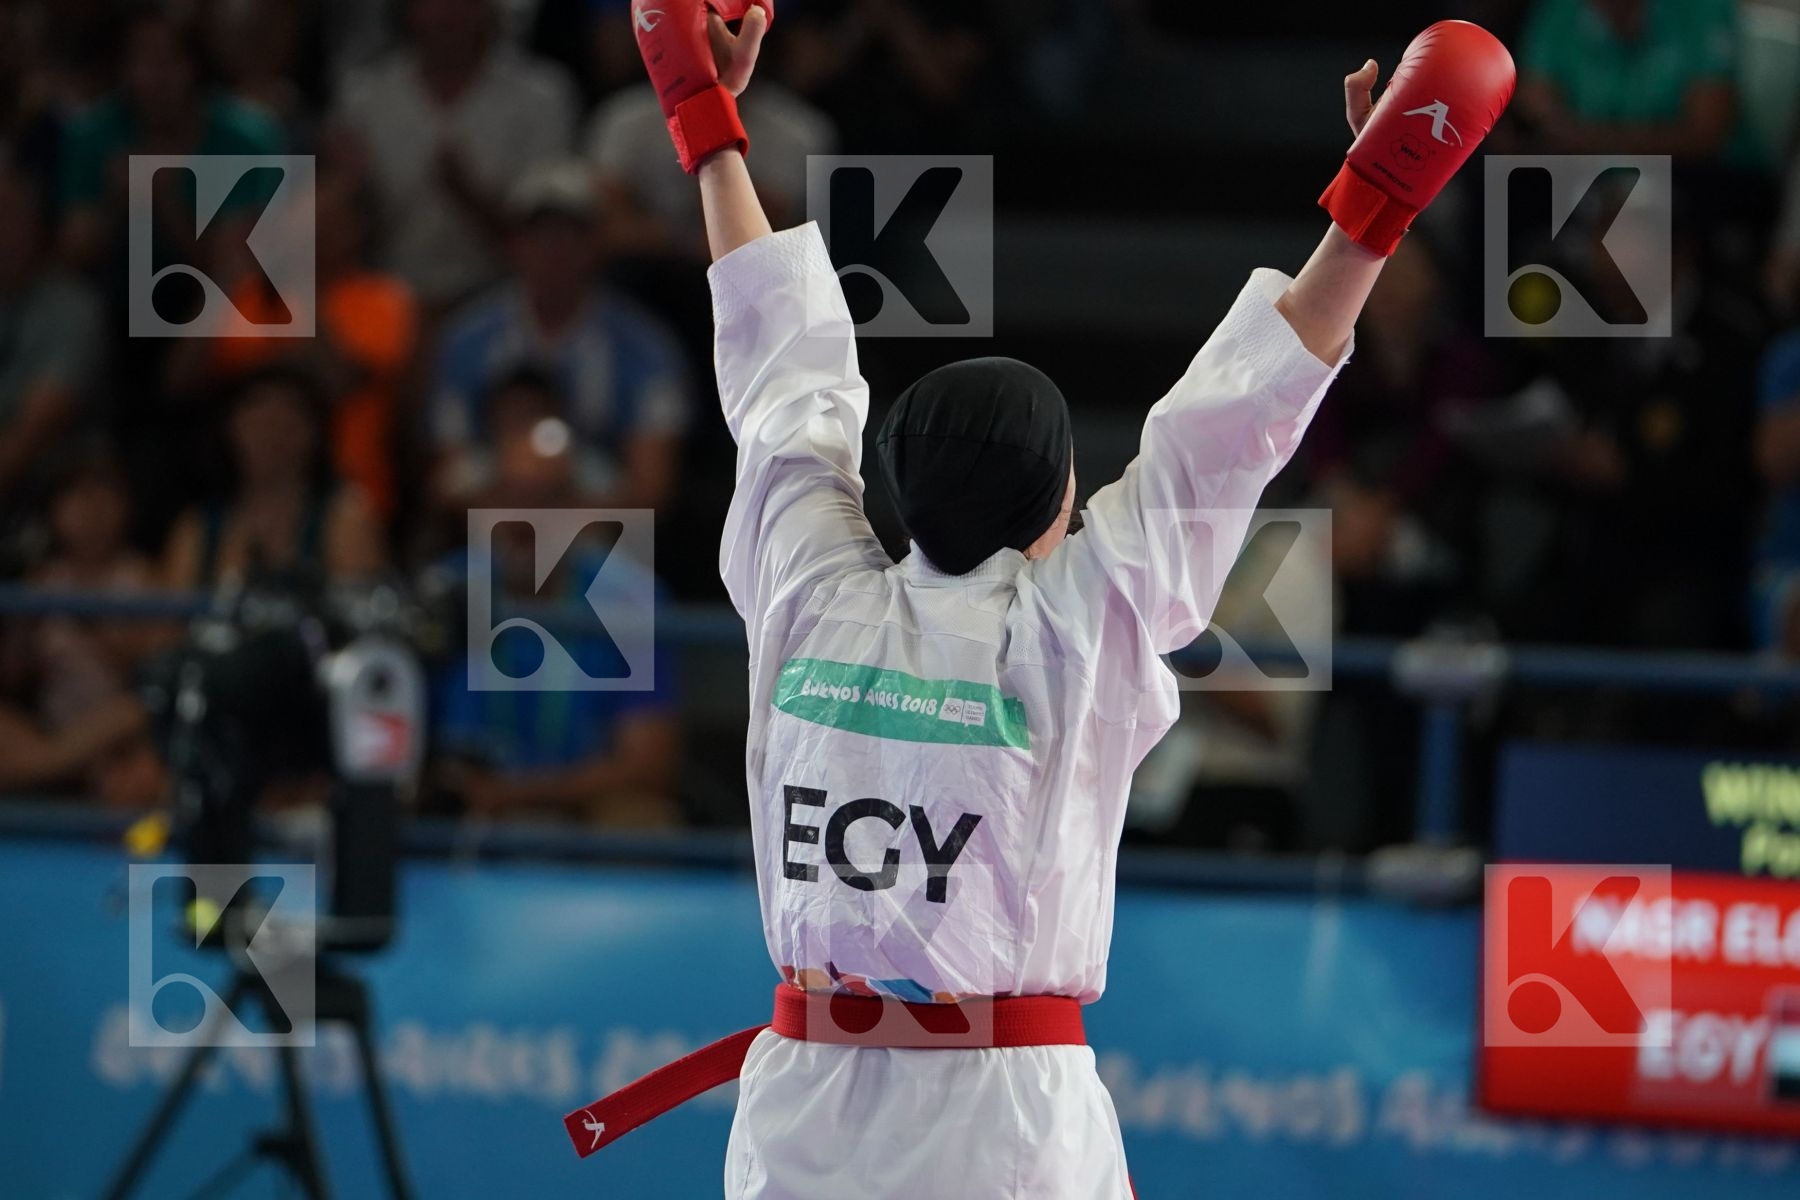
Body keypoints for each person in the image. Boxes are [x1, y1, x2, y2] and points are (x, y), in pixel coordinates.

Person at [562, 7, 1514, 1197]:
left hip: (804, 1109)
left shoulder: (807, 587)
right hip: (1003, 1130)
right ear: (1056, 508)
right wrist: (1378, 205)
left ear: (899, 489)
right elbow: (1223, 435)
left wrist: (706, 127)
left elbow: (780, 373)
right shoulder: (1071, 628)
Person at [429, 368, 682, 826]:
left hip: (579, 811)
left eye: (546, 501)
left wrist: (511, 796)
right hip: (460, 810)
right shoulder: (443, 589)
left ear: (578, 509)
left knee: (642, 820)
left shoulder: (630, 598)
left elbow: (648, 766)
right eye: (511, 497)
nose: (524, 520)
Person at [428, 159, 692, 517]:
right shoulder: (465, 340)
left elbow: (652, 488)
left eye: (570, 234)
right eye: (539, 234)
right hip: (490, 527)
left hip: (601, 534)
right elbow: (449, 473)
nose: (554, 249)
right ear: (514, 244)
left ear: (596, 243)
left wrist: (560, 527)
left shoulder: (646, 348)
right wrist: (517, 525)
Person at [331, 0, 579, 312]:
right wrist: (351, 196)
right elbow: (347, 237)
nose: (447, 13)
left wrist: (469, 195)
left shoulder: (544, 95)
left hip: (505, 301)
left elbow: (553, 235)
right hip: (386, 300)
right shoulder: (364, 99)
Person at [163, 365, 385, 591]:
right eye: (258, 425)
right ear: (231, 430)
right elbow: (171, 619)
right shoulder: (197, 528)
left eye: (284, 424)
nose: (271, 438)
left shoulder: (344, 517)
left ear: (314, 434)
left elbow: (361, 609)